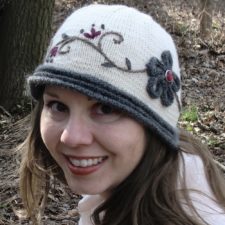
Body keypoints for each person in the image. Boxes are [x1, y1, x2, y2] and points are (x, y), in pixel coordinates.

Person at [18, 4, 225, 225]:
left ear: (155, 125)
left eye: (106, 108)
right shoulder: (126, 188)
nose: (71, 137)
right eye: (58, 106)